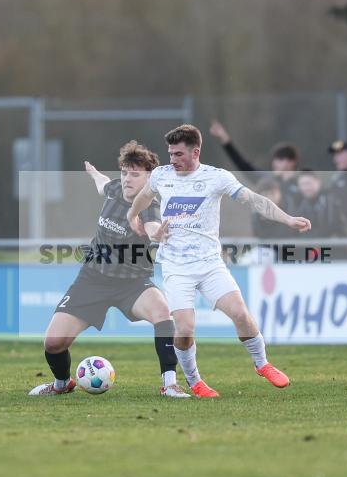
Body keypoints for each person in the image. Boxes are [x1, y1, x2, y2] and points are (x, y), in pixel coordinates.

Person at [126, 124, 311, 397]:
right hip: (177, 267)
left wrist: (288, 219)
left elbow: (255, 200)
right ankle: (195, 381)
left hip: (210, 264)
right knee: (186, 328)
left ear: (195, 152)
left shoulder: (216, 178)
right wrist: (133, 217)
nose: (172, 159)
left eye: (178, 154)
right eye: (170, 153)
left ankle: (263, 364)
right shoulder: (161, 176)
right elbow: (142, 198)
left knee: (240, 314)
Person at [28, 142, 190, 398]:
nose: (127, 179)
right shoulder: (114, 189)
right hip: (92, 279)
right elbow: (103, 183)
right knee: (53, 343)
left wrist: (156, 233)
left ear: (150, 177)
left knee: (162, 311)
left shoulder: (150, 207)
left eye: (135, 174)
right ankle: (61, 384)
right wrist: (93, 174)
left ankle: (169, 383)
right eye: (125, 172)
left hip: (133, 283)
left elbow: (152, 227)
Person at [208, 120, 301, 211]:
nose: (275, 163)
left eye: (280, 160)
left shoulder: (302, 182)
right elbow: (243, 165)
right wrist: (225, 139)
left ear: (291, 162)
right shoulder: (266, 179)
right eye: (275, 159)